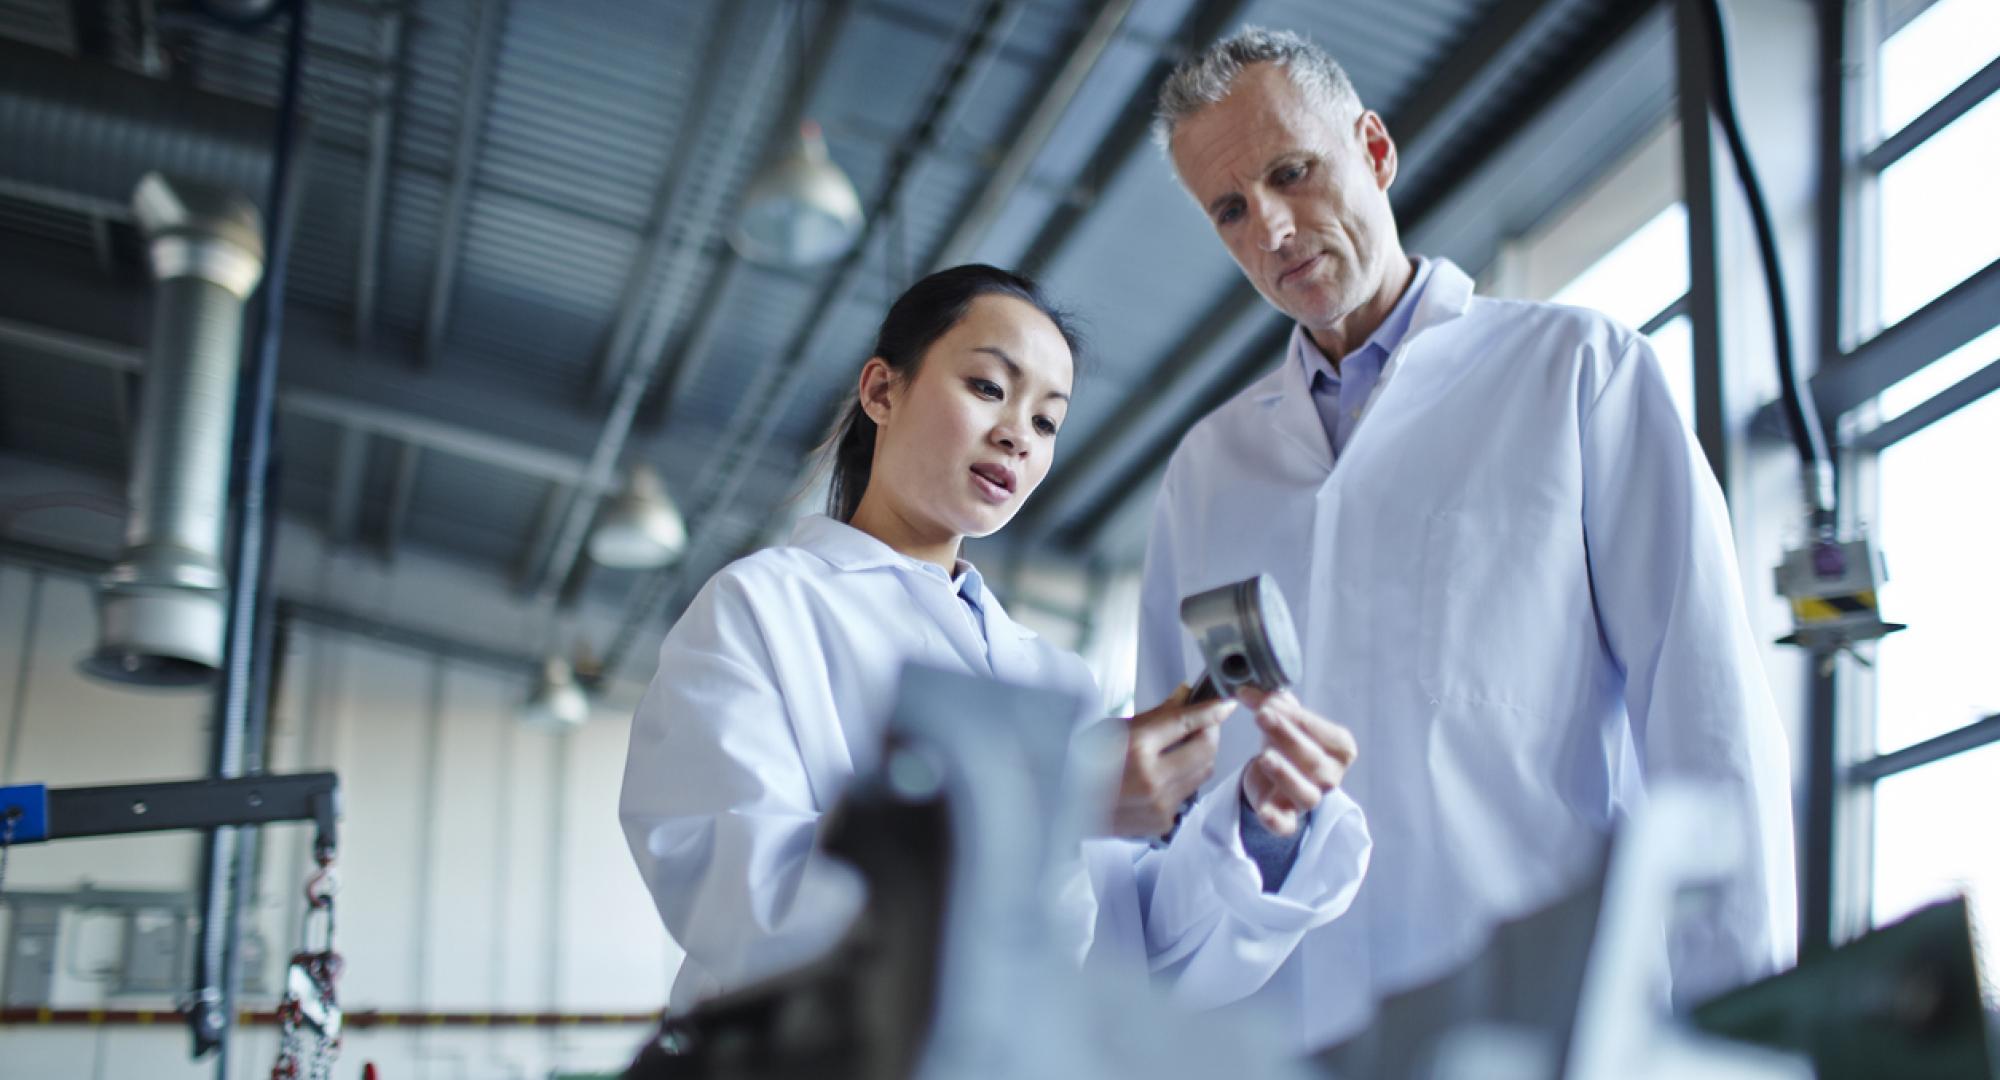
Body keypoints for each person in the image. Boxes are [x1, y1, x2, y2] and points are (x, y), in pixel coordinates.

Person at [1137, 28, 1797, 1049]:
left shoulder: (1579, 374)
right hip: (1277, 1038)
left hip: (1533, 1026)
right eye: (1229, 208)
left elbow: (1704, 719)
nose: (1268, 228)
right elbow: (1169, 793)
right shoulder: (1207, 469)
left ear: (1374, 149)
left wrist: (1737, 1029)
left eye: (1290, 172)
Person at [619, 264, 1371, 1014]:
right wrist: (1054, 801)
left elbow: (1122, 948)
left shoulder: (1053, 676)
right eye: (987, 388)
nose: (1017, 435)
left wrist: (1261, 829)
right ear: (882, 391)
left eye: (1046, 421)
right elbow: (744, 903)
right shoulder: (764, 607)